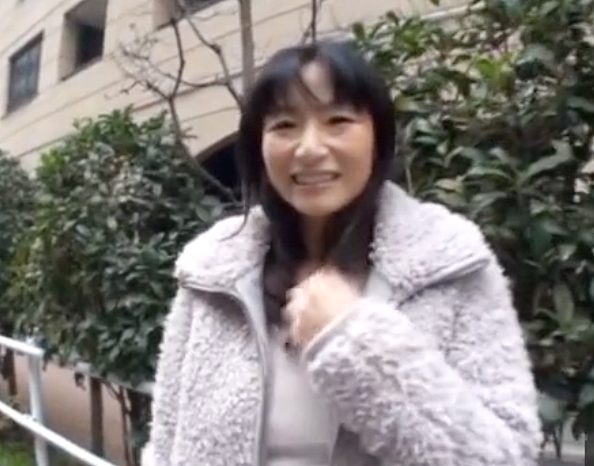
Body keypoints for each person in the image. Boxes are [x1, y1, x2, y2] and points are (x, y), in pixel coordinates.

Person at [143, 41, 541, 466]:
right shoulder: (212, 273)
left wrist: (355, 341)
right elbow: (166, 446)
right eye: (284, 125)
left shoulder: (450, 264)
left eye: (338, 121)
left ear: (378, 138)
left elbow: (505, 458)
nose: (309, 148)